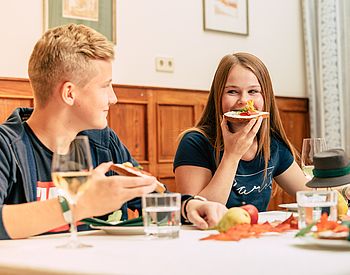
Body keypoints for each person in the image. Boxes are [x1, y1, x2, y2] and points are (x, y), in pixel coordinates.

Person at [0, 24, 226, 240]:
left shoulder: (104, 142)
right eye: (105, 85)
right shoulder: (7, 146)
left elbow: (150, 196)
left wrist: (189, 206)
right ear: (70, 93)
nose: (114, 98)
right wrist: (81, 205)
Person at [174, 52, 309, 212]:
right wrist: (232, 155)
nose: (244, 101)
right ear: (218, 97)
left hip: (256, 235)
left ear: (266, 98)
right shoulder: (195, 142)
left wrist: (343, 190)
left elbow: (310, 194)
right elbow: (196, 214)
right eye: (232, 91)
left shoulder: (272, 145)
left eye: (253, 92)